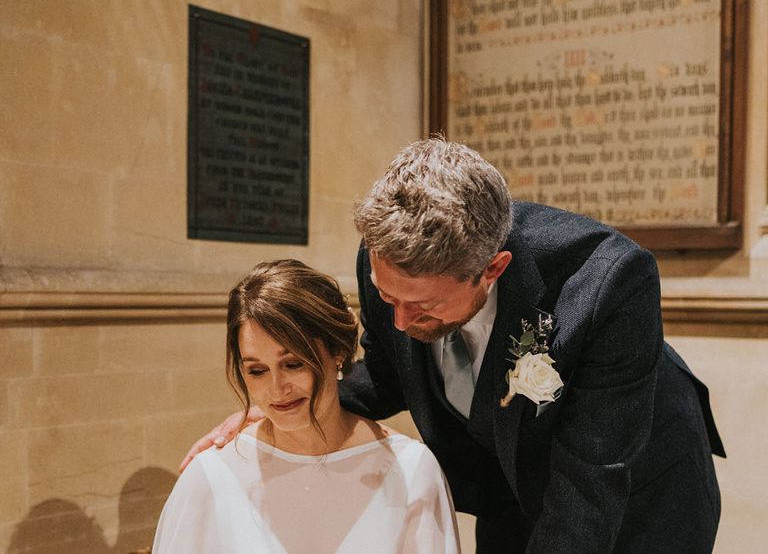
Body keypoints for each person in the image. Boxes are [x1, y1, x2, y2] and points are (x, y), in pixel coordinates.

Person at [183, 139, 725, 553]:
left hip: (637, 489)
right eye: (385, 296)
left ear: (492, 270)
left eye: (421, 307)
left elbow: (589, 480)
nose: (398, 320)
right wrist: (284, 406)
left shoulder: (608, 282)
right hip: (511, 481)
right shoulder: (383, 263)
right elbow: (390, 374)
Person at [157, 259, 460, 553]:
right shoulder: (209, 477)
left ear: (337, 352)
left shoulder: (412, 471)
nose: (277, 389)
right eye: (257, 370)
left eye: (293, 364)